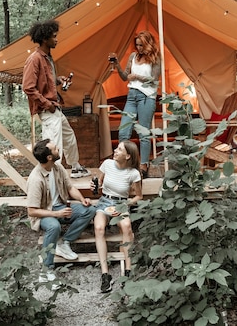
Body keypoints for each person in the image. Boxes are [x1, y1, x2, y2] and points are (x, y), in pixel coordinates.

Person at [22, 19, 90, 178]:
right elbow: (28, 87)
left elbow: (45, 82)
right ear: (45, 39)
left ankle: (75, 167)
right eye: (53, 36)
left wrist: (58, 80)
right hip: (48, 109)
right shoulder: (35, 59)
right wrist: (47, 104)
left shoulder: (47, 58)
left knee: (69, 138)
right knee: (53, 145)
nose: (56, 39)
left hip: (55, 107)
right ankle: (54, 179)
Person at [27, 139, 96, 268]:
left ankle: (65, 242)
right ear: (49, 157)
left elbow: (70, 188)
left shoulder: (57, 167)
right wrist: (57, 214)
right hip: (44, 213)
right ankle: (47, 269)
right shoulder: (36, 179)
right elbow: (32, 211)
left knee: (90, 210)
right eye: (55, 149)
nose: (58, 148)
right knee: (54, 226)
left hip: (60, 207)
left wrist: (82, 199)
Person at [92, 140, 143, 293]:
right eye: (116, 148)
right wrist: (94, 186)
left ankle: (128, 272)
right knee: (99, 227)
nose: (115, 150)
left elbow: (139, 196)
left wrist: (123, 206)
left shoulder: (133, 173)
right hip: (104, 202)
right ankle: (105, 274)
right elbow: (99, 184)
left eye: (119, 149)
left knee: (127, 226)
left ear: (128, 156)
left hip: (121, 203)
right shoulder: (107, 164)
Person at [112, 30, 161, 178]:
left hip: (147, 96)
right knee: (123, 132)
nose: (139, 48)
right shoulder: (133, 56)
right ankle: (126, 163)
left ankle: (144, 164)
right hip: (132, 95)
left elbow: (154, 79)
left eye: (141, 45)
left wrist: (137, 77)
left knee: (143, 133)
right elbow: (125, 76)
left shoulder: (155, 58)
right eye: (137, 45)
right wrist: (117, 64)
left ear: (148, 44)